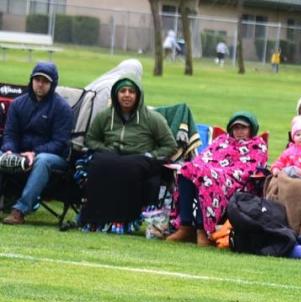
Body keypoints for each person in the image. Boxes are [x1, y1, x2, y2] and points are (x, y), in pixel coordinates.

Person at [80, 76, 176, 231]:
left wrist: (151, 155)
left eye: (131, 91)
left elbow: (170, 145)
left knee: (129, 167)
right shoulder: (104, 116)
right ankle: (94, 218)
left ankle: (123, 221)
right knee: (99, 163)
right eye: (122, 91)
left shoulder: (153, 119)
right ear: (116, 95)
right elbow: (91, 140)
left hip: (140, 157)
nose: (127, 95)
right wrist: (104, 149)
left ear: (138, 96)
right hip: (111, 154)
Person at [166, 112, 268, 245]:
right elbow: (203, 158)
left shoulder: (257, 145)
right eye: (236, 128)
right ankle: (186, 226)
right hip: (211, 174)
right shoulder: (221, 141)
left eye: (243, 128)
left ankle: (201, 229)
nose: (239, 131)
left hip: (238, 181)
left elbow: (252, 168)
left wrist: (216, 172)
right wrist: (205, 170)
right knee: (186, 170)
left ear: (251, 129)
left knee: (206, 176)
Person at [1, 62, 74, 225]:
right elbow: (10, 134)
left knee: (42, 161)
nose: (40, 84)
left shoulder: (63, 108)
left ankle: (19, 210)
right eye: (37, 79)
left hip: (53, 158)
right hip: (19, 153)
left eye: (45, 81)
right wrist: (9, 150)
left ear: (52, 84)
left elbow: (60, 142)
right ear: (31, 80)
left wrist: (34, 152)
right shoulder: (17, 104)